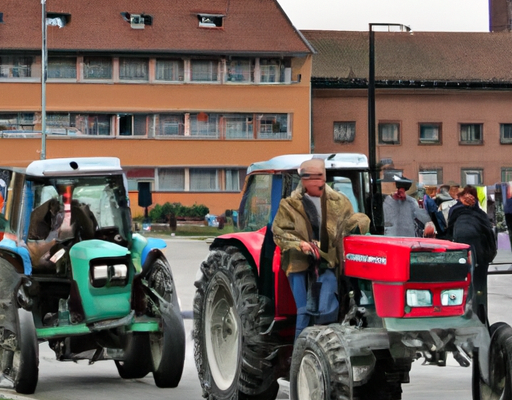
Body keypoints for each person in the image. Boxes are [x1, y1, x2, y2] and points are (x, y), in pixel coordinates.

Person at [272, 158, 369, 339]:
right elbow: (279, 232)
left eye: (318, 176)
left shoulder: (339, 202)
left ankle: (324, 344)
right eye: (309, 176)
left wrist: (361, 222)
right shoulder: (289, 205)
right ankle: (299, 354)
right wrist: (300, 244)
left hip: (326, 260)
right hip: (298, 262)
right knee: (304, 311)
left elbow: (347, 223)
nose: (315, 180)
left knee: (327, 307)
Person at [446, 185, 497, 322]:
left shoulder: (454, 211)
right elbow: (489, 236)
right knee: (479, 287)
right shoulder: (481, 215)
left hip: (459, 254)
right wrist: (489, 256)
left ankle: (459, 314)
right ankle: (480, 316)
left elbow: (449, 232)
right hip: (479, 253)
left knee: (459, 286)